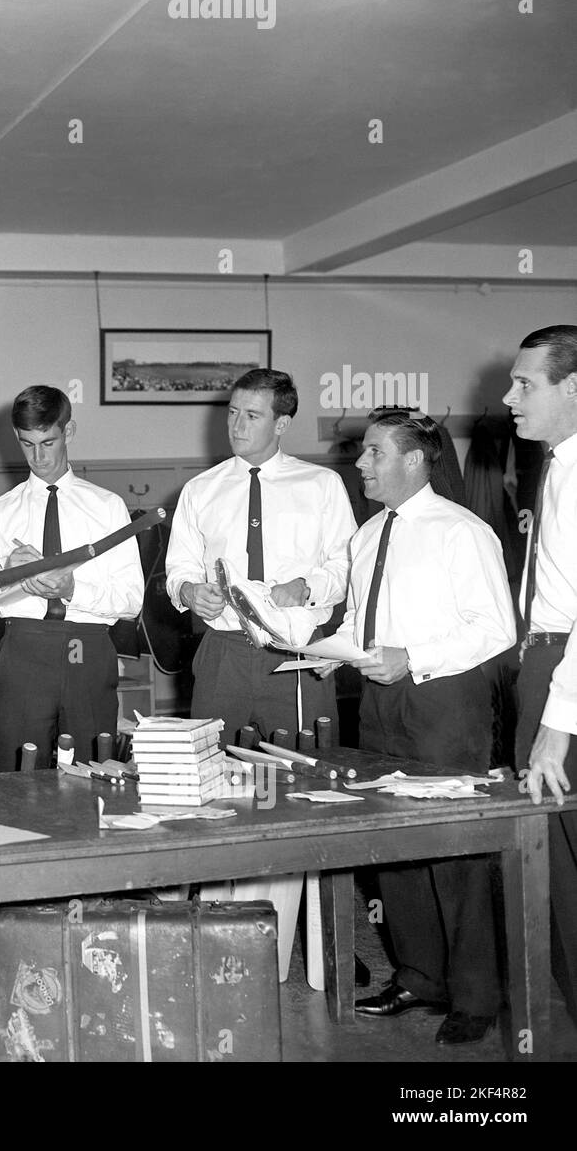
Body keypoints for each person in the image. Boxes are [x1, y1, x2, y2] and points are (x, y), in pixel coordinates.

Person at [329, 412, 514, 1044]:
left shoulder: (463, 533)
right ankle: (419, 977)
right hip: (381, 701)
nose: (361, 464)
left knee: (455, 850)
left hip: (444, 701)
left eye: (374, 453)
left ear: (413, 461)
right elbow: (359, 622)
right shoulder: (366, 536)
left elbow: (496, 628)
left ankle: (476, 997)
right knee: (396, 848)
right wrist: (309, 641)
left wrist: (415, 657)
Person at [166, 368, 354, 744]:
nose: (237, 425)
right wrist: (189, 592)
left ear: (281, 423)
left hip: (293, 650)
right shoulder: (200, 489)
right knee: (212, 767)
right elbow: (179, 567)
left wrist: (306, 587)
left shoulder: (321, 485)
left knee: (304, 768)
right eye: (233, 412)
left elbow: (347, 565)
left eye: (252, 416)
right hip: (224, 651)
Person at [0, 385, 144, 770]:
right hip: (24, 650)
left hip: (86, 649)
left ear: (69, 432)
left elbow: (131, 601)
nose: (39, 456)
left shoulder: (107, 507)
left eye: (48, 442)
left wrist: (72, 588)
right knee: (15, 775)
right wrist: (6, 576)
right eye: (28, 444)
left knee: (91, 771)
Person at [505, 324, 577, 1025]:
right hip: (546, 661)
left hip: (568, 675)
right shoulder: (557, 463)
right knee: (552, 876)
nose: (508, 397)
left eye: (525, 384)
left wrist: (555, 729)